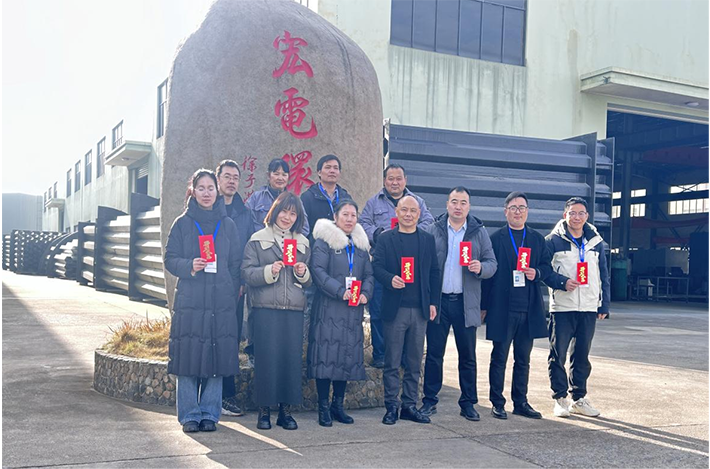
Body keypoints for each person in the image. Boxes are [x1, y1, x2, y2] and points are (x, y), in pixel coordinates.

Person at [164, 169, 242, 433]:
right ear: (193, 191)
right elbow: (170, 258)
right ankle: (189, 414)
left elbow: (235, 264)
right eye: (201, 188)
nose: (206, 193)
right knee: (188, 356)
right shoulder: (182, 223)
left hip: (221, 301)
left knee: (216, 356)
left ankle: (210, 412)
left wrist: (230, 290)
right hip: (190, 300)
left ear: (217, 191)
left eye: (210, 188)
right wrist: (189, 265)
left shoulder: (228, 225)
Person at [420, 187, 497, 422]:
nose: (458, 206)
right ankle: (429, 400)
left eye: (463, 202)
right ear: (447, 204)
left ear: (469, 207)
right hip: (439, 302)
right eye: (454, 201)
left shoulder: (478, 232)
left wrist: (481, 267)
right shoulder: (434, 229)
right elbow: (422, 262)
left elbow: (492, 263)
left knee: (468, 355)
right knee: (434, 354)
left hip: (465, 302)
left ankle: (468, 403)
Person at [241, 191, 312, 430]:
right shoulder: (257, 239)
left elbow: (309, 280)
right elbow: (246, 273)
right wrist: (268, 271)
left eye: (293, 213)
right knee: (266, 360)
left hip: (293, 309)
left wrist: (303, 272)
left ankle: (285, 411)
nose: (287, 217)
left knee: (290, 361)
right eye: (284, 211)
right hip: (265, 308)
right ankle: (264, 411)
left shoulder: (303, 243)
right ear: (274, 211)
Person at [482, 191, 552, 420]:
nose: (518, 212)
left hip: (528, 308)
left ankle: (520, 402)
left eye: (522, 208)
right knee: (499, 357)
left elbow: (547, 267)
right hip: (502, 307)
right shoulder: (496, 238)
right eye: (513, 207)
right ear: (505, 212)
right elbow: (488, 277)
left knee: (523, 359)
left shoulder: (536, 239)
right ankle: (497, 402)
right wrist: (484, 306)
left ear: (527, 211)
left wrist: (537, 272)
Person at [372, 196, 441, 425]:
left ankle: (409, 405)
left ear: (419, 214)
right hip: (395, 310)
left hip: (420, 310)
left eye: (413, 210)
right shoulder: (386, 238)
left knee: (413, 362)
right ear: (397, 212)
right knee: (392, 361)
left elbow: (434, 272)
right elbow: (376, 267)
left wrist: (433, 302)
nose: (409, 214)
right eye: (404, 210)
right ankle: (391, 406)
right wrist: (389, 279)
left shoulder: (427, 239)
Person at [360, 164, 434, 369]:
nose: (395, 182)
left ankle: (404, 355)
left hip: (411, 267)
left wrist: (410, 230)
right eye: (390, 178)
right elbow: (363, 224)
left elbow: (429, 222)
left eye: (398, 178)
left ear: (405, 180)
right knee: (378, 310)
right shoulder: (373, 202)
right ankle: (380, 353)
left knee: (406, 313)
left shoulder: (417, 201)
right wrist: (378, 234)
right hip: (383, 264)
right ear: (384, 181)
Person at [307, 200, 374, 427]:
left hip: (352, 310)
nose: (349, 219)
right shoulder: (324, 241)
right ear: (335, 217)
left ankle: (338, 405)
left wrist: (365, 293)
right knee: (326, 356)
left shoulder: (360, 244)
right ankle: (323, 407)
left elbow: (369, 275)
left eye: (353, 215)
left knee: (345, 357)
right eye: (345, 214)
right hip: (329, 308)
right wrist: (339, 291)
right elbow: (318, 271)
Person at [545, 197, 610, 418]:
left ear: (587, 216)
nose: (576, 217)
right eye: (572, 213)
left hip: (589, 307)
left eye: (581, 213)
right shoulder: (552, 241)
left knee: (582, 355)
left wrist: (603, 304)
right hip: (563, 306)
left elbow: (603, 275)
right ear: (565, 215)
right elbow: (544, 271)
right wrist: (562, 282)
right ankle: (560, 398)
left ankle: (579, 398)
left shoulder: (596, 242)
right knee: (558, 354)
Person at [244, 158, 309, 365]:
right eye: (276, 173)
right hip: (263, 255)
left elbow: (304, 227)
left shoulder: (295, 200)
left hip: (288, 265)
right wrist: (267, 239)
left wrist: (291, 238)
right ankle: (253, 350)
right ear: (268, 175)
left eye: (284, 174)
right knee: (257, 310)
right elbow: (247, 224)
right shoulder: (256, 198)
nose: (280, 177)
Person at [215, 159, 254, 417]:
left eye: (235, 177)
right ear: (218, 178)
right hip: (208, 284)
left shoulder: (245, 213)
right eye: (227, 176)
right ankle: (208, 394)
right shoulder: (208, 208)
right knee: (209, 337)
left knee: (230, 339)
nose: (231, 181)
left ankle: (226, 395)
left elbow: (247, 250)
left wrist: (241, 281)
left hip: (234, 286)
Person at [300, 154, 352, 241]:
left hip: (341, 244)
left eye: (335, 168)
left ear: (339, 173)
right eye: (328, 167)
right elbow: (303, 228)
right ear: (319, 172)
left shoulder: (346, 197)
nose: (332, 171)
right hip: (316, 245)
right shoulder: (308, 197)